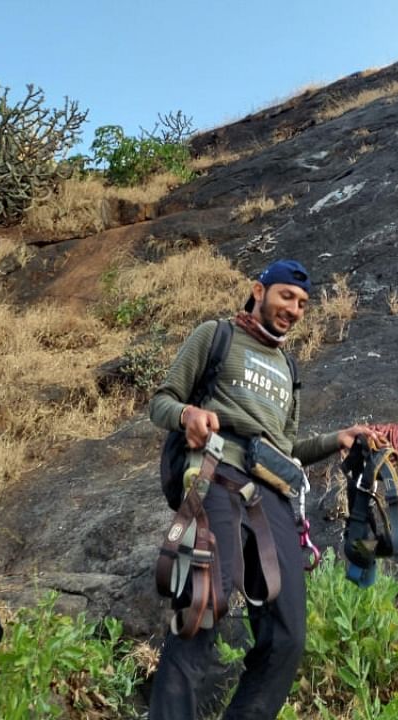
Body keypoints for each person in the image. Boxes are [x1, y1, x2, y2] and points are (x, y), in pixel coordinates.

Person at [148, 259, 375, 719]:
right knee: (203, 609)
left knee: (288, 635)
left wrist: (338, 440)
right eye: (286, 296)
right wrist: (187, 416)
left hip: (271, 494)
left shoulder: (289, 369)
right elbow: (161, 401)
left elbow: (286, 447)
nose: (293, 309)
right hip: (216, 475)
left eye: (303, 303)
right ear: (259, 290)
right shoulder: (216, 336)